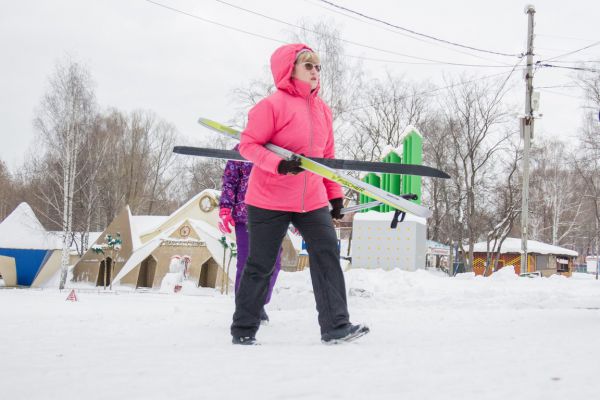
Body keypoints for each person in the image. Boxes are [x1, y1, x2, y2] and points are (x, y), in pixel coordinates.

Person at [230, 43, 369, 345]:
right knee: (261, 263)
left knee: (327, 253)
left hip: (311, 198)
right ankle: (243, 329)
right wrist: (279, 165)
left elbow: (327, 157)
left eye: (318, 67)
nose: (315, 72)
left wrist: (334, 195)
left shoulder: (322, 110)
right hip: (269, 199)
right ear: (290, 69)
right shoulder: (271, 106)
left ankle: (336, 326)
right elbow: (248, 145)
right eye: (309, 66)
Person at [218, 148, 282, 323]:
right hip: (245, 216)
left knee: (274, 263)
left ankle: (259, 303)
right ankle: (244, 306)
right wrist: (225, 208)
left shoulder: (278, 148)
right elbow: (229, 181)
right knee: (246, 262)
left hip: (274, 216)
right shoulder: (241, 150)